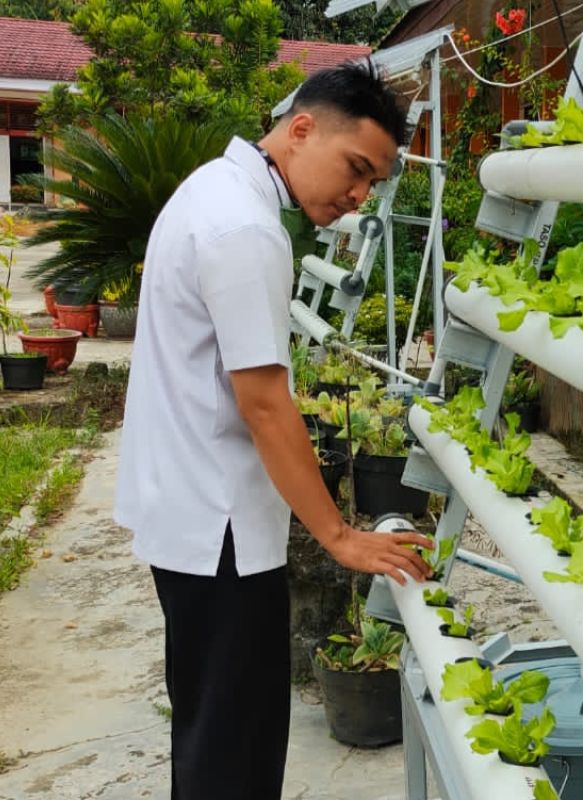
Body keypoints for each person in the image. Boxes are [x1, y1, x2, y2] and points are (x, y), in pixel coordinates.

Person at [114, 62, 432, 800]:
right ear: (300, 128)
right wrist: (340, 536)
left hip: (189, 507)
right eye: (355, 168)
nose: (357, 195)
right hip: (218, 526)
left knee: (212, 726)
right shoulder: (245, 229)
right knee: (235, 747)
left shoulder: (212, 191)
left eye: (372, 184)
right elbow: (263, 401)